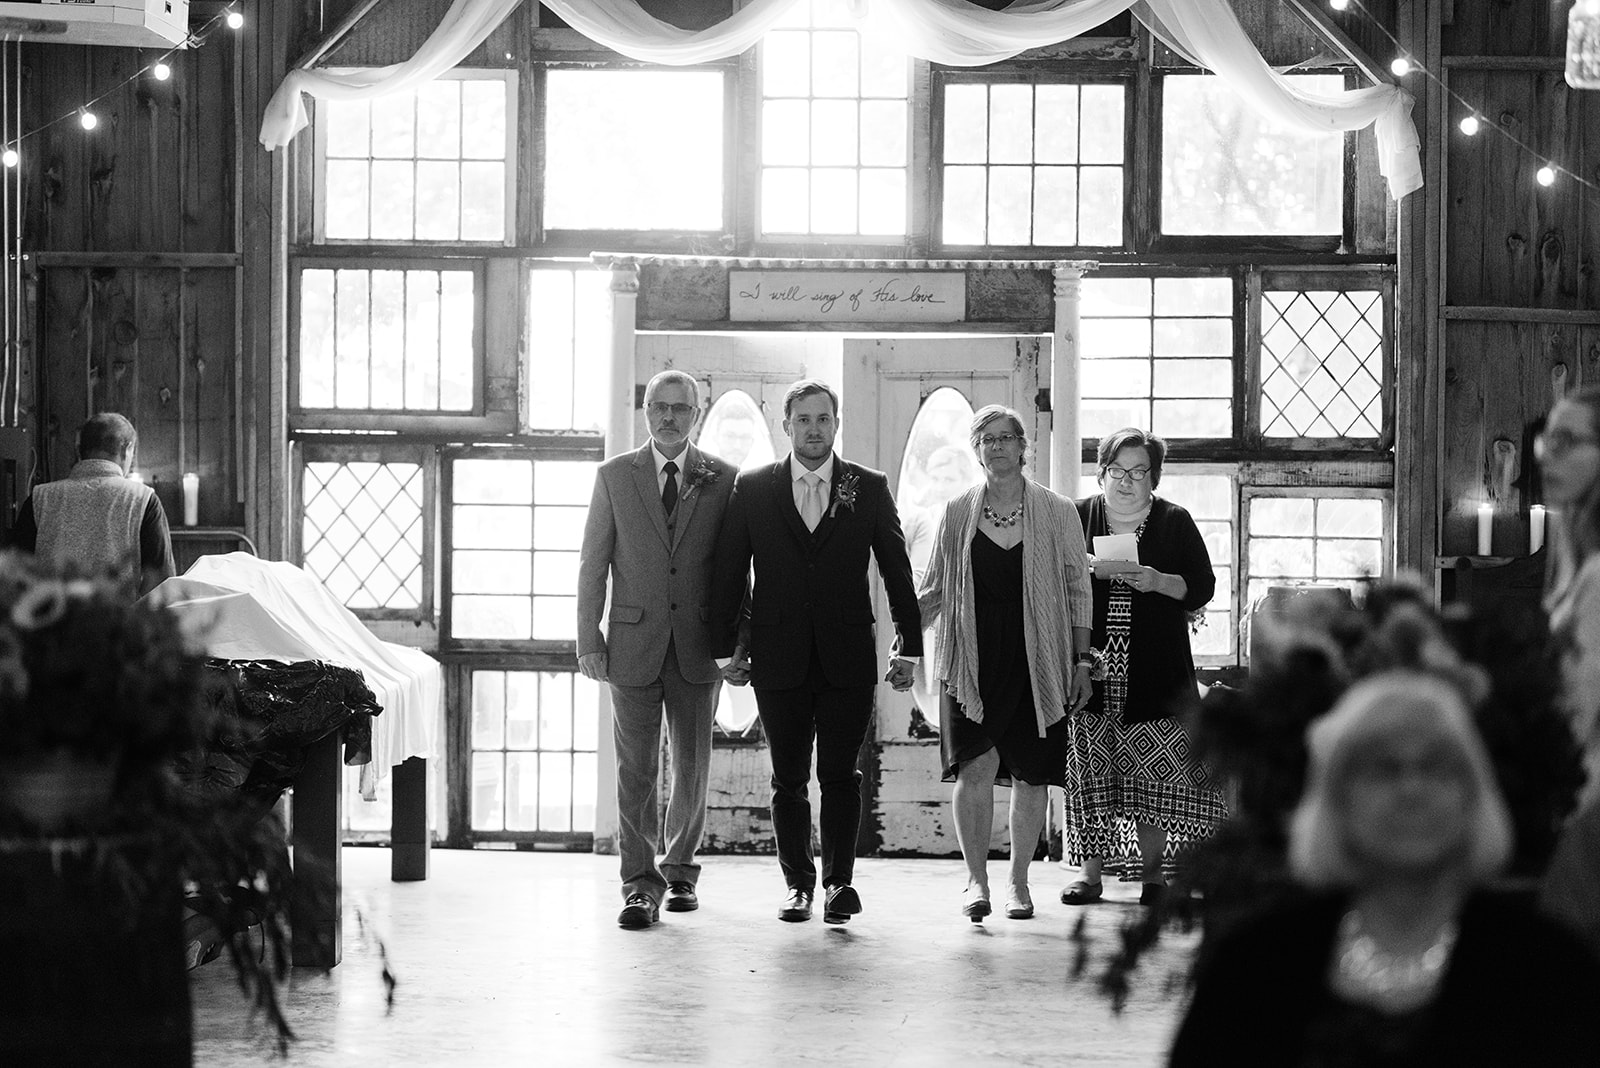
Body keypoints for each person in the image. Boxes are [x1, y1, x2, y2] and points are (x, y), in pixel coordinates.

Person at [1170, 672, 1600, 1066]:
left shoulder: (1544, 968)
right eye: (1382, 768)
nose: (1410, 789)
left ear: (1473, 796)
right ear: (1337, 800)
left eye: (1435, 767)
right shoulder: (1256, 966)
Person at [710, 379, 921, 925]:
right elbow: (731, 572)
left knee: (841, 776)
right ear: (787, 426)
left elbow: (898, 571)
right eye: (802, 419)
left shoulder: (867, 486)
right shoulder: (753, 488)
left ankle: (839, 885)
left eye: (823, 418)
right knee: (788, 779)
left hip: (847, 656)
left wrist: (910, 645)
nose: (813, 429)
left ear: (836, 423)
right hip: (776, 657)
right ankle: (797, 885)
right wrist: (725, 648)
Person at [916, 405, 1093, 921]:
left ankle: (1019, 883)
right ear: (977, 451)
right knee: (975, 768)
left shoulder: (1058, 510)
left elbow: (1079, 590)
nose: (996, 447)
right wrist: (903, 644)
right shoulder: (955, 512)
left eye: (1005, 437)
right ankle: (976, 881)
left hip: (1037, 657)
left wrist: (1082, 661)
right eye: (985, 439)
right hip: (970, 656)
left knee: (1031, 775)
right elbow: (934, 588)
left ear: (1023, 446)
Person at [577, 370, 738, 929]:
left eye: (680, 408)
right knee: (636, 770)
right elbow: (592, 563)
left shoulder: (723, 478)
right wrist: (587, 637)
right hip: (631, 643)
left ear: (697, 412)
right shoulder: (614, 476)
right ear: (645, 410)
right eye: (658, 406)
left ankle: (682, 873)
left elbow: (735, 572)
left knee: (692, 766)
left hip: (699, 647)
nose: (668, 417)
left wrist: (736, 642)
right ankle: (639, 886)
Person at [1062, 427, 1225, 907]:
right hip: (1089, 665)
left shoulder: (1174, 521)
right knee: (1092, 770)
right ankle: (1089, 877)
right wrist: (1087, 569)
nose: (1127, 481)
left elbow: (1203, 586)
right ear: (1101, 471)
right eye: (1118, 470)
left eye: (1139, 472)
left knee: (1152, 776)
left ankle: (1153, 878)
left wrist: (1157, 581)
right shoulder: (1076, 515)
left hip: (1155, 668)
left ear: (1154, 477)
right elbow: (1051, 578)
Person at [1535, 384, 1600, 957]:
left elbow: (1580, 711)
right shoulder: (1580, 566)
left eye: (1566, 440)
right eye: (1545, 440)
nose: (1546, 455)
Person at [8, 412, 174, 596]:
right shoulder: (143, 500)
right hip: (120, 621)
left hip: (52, 621)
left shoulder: (40, 498)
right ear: (127, 449)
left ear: (79, 450)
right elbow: (162, 582)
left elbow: (13, 574)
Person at [902, 444, 982, 733]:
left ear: (965, 479)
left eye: (948, 479)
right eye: (935, 478)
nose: (939, 486)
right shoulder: (923, 519)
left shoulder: (975, 517)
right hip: (930, 626)